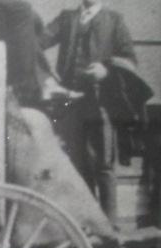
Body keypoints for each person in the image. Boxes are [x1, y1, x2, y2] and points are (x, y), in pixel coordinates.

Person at [41, 0, 137, 224]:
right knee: (76, 164)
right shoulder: (66, 18)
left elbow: (131, 60)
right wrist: (46, 75)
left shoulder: (114, 20)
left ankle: (110, 229)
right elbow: (37, 43)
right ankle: (85, 225)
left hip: (100, 102)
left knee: (103, 165)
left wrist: (106, 70)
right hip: (69, 102)